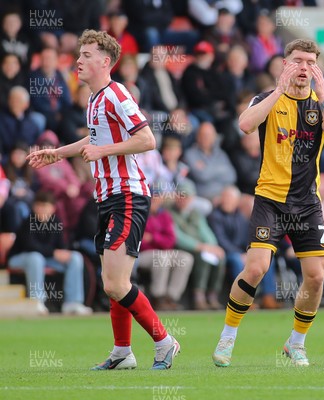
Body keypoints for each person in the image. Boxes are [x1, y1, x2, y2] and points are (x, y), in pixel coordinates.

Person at [26, 30, 179, 371]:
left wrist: (102, 151)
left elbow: (147, 139)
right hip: (108, 197)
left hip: (128, 195)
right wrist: (59, 154)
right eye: (78, 54)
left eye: (86, 55)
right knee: (114, 281)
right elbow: (94, 139)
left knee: (114, 283)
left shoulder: (117, 94)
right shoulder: (95, 99)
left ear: (105, 62)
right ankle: (122, 352)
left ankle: (165, 342)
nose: (78, 60)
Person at [211, 38, 324, 368]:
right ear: (284, 64)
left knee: (316, 276)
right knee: (256, 268)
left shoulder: (322, 105)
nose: (304, 67)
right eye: (297, 61)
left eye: (310, 62)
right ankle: (228, 336)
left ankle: (296, 343)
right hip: (270, 199)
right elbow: (244, 125)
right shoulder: (267, 100)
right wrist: (277, 90)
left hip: (306, 204)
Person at [7, 191, 92, 316]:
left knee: (75, 257)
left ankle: (72, 303)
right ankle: (36, 301)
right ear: (34, 207)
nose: (42, 209)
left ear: (53, 208)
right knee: (36, 258)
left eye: (45, 206)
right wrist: (53, 252)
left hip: (45, 259)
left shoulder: (56, 222)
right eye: (39, 206)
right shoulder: (28, 222)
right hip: (19, 259)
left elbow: (61, 246)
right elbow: (30, 246)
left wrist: (63, 253)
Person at [167, 179, 226, 310]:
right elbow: (178, 237)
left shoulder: (195, 213)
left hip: (200, 247)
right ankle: (198, 297)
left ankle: (213, 296)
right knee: (203, 257)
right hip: (182, 248)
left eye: (187, 196)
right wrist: (201, 247)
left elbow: (206, 233)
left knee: (219, 257)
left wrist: (213, 247)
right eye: (181, 195)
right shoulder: (169, 213)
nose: (183, 199)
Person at [136, 188, 194, 311]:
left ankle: (171, 297)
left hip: (161, 251)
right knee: (161, 256)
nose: (155, 201)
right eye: (153, 198)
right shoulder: (139, 213)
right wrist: (159, 240)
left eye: (158, 198)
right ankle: (158, 297)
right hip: (140, 255)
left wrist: (153, 238)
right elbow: (141, 242)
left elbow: (171, 241)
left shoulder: (164, 215)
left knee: (186, 258)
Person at [184, 121, 237, 202]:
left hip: (223, 194)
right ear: (198, 136)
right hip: (203, 196)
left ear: (214, 137)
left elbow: (232, 176)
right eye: (204, 135)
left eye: (209, 135)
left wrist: (208, 169)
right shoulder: (190, 154)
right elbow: (202, 176)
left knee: (248, 202)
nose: (207, 138)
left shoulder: (221, 153)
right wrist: (221, 169)